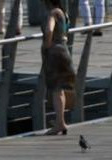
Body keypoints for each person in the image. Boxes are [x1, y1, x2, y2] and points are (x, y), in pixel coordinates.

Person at [41, 0, 76, 135]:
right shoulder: (64, 13)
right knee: (60, 89)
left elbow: (49, 30)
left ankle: (59, 123)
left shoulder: (53, 13)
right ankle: (60, 121)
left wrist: (47, 45)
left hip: (55, 53)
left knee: (56, 90)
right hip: (64, 51)